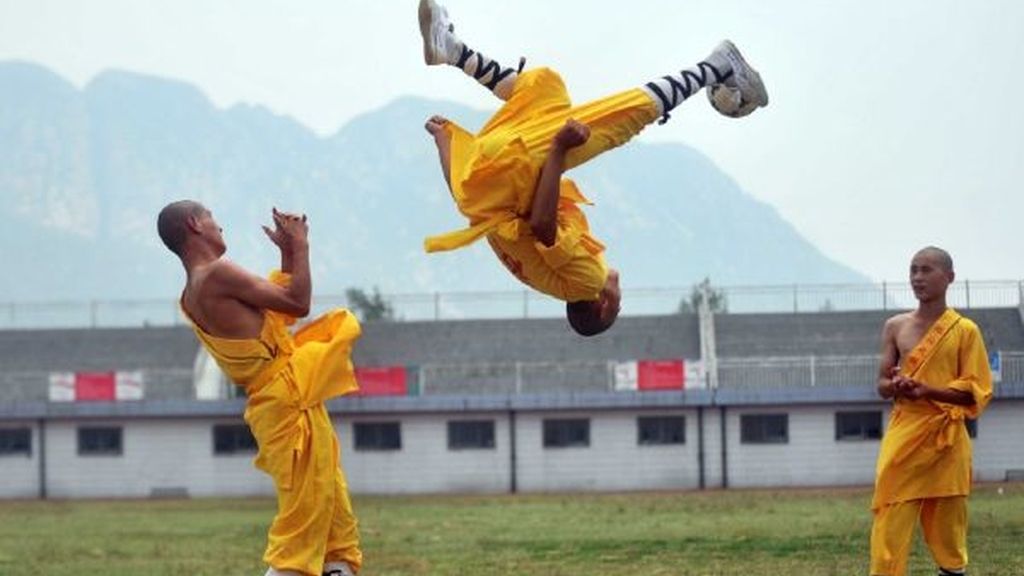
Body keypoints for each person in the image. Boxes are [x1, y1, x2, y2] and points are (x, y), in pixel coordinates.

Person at [417, 0, 768, 336]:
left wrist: (558, 148)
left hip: (515, 168)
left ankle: (718, 66)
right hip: (485, 162)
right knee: (545, 89)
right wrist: (444, 142)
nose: (619, 298)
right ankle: (451, 49)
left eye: (617, 307)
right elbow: (470, 202)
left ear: (602, 306)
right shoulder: (541, 277)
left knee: (623, 118)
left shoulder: (585, 284)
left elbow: (542, 227)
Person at [156, 201, 362, 576]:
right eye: (213, 220)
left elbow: (272, 315)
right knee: (304, 522)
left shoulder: (191, 293)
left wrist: (286, 253)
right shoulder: (216, 273)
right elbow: (297, 304)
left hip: (280, 398)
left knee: (330, 511)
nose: (221, 228)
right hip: (284, 398)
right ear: (194, 225)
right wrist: (301, 246)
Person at [870, 246, 993, 576]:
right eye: (913, 270)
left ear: (949, 277)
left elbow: (975, 392)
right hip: (906, 434)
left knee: (948, 529)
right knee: (890, 518)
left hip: (947, 439)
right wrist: (896, 386)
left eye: (926, 270)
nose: (917, 277)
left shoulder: (965, 330)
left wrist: (928, 390)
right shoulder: (895, 326)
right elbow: (881, 384)